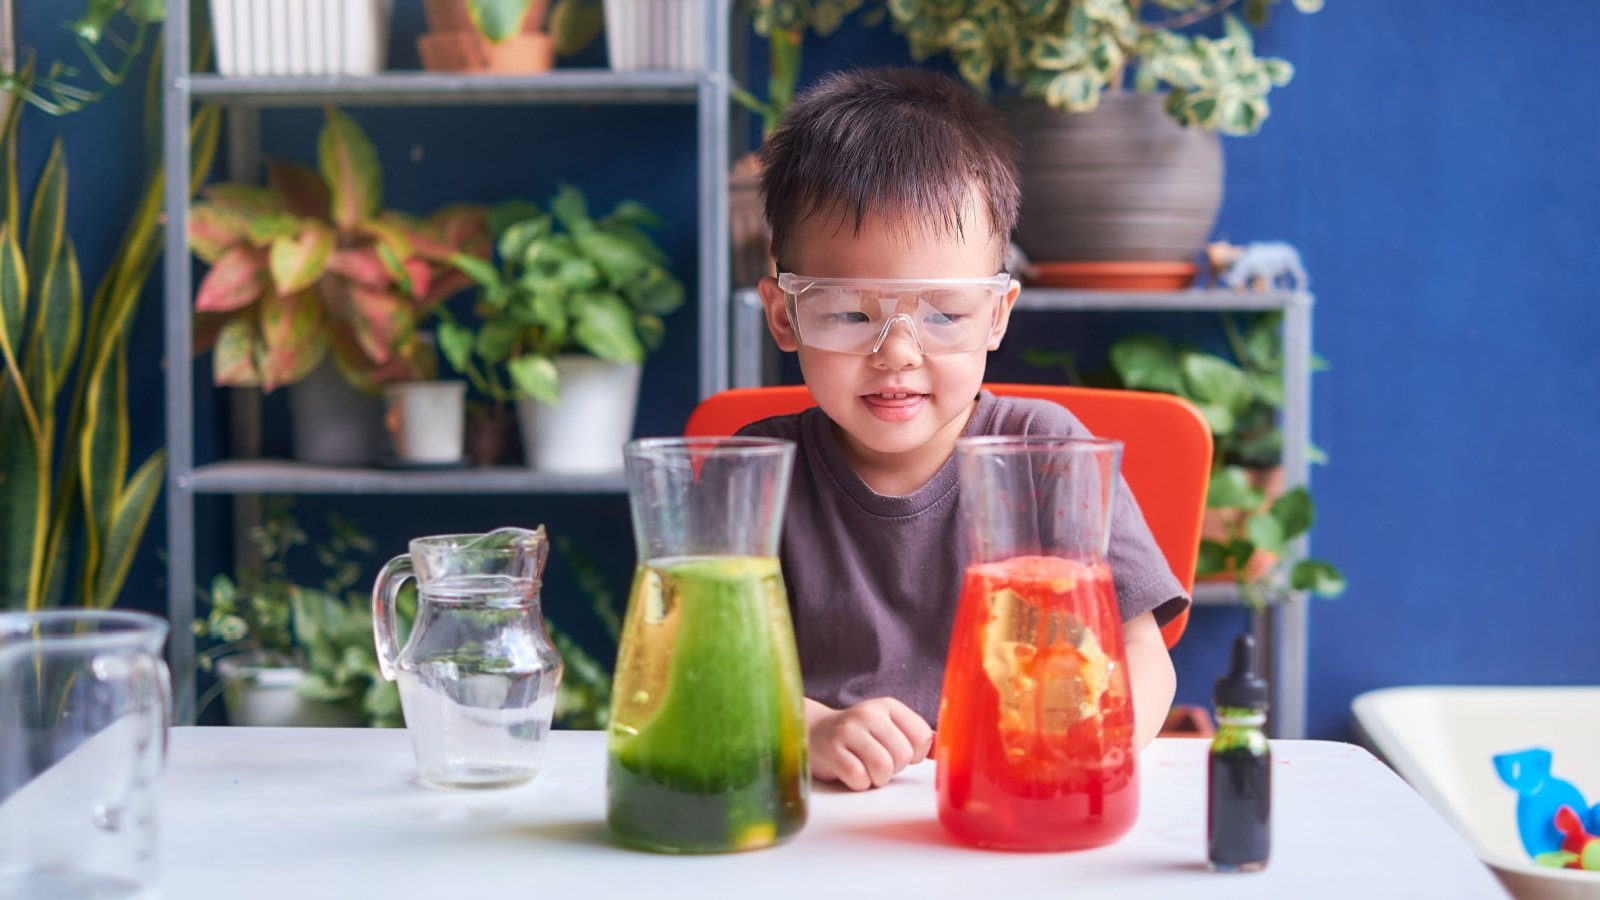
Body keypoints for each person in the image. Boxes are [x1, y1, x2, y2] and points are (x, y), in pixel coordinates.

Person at [738, 68, 1189, 792]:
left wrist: (1087, 744)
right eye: (850, 312)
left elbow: (1141, 651)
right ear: (785, 315)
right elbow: (702, 671)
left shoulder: (1047, 454)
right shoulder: (754, 470)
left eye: (944, 313)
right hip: (814, 821)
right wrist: (809, 726)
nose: (898, 353)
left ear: (999, 315)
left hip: (1020, 799)